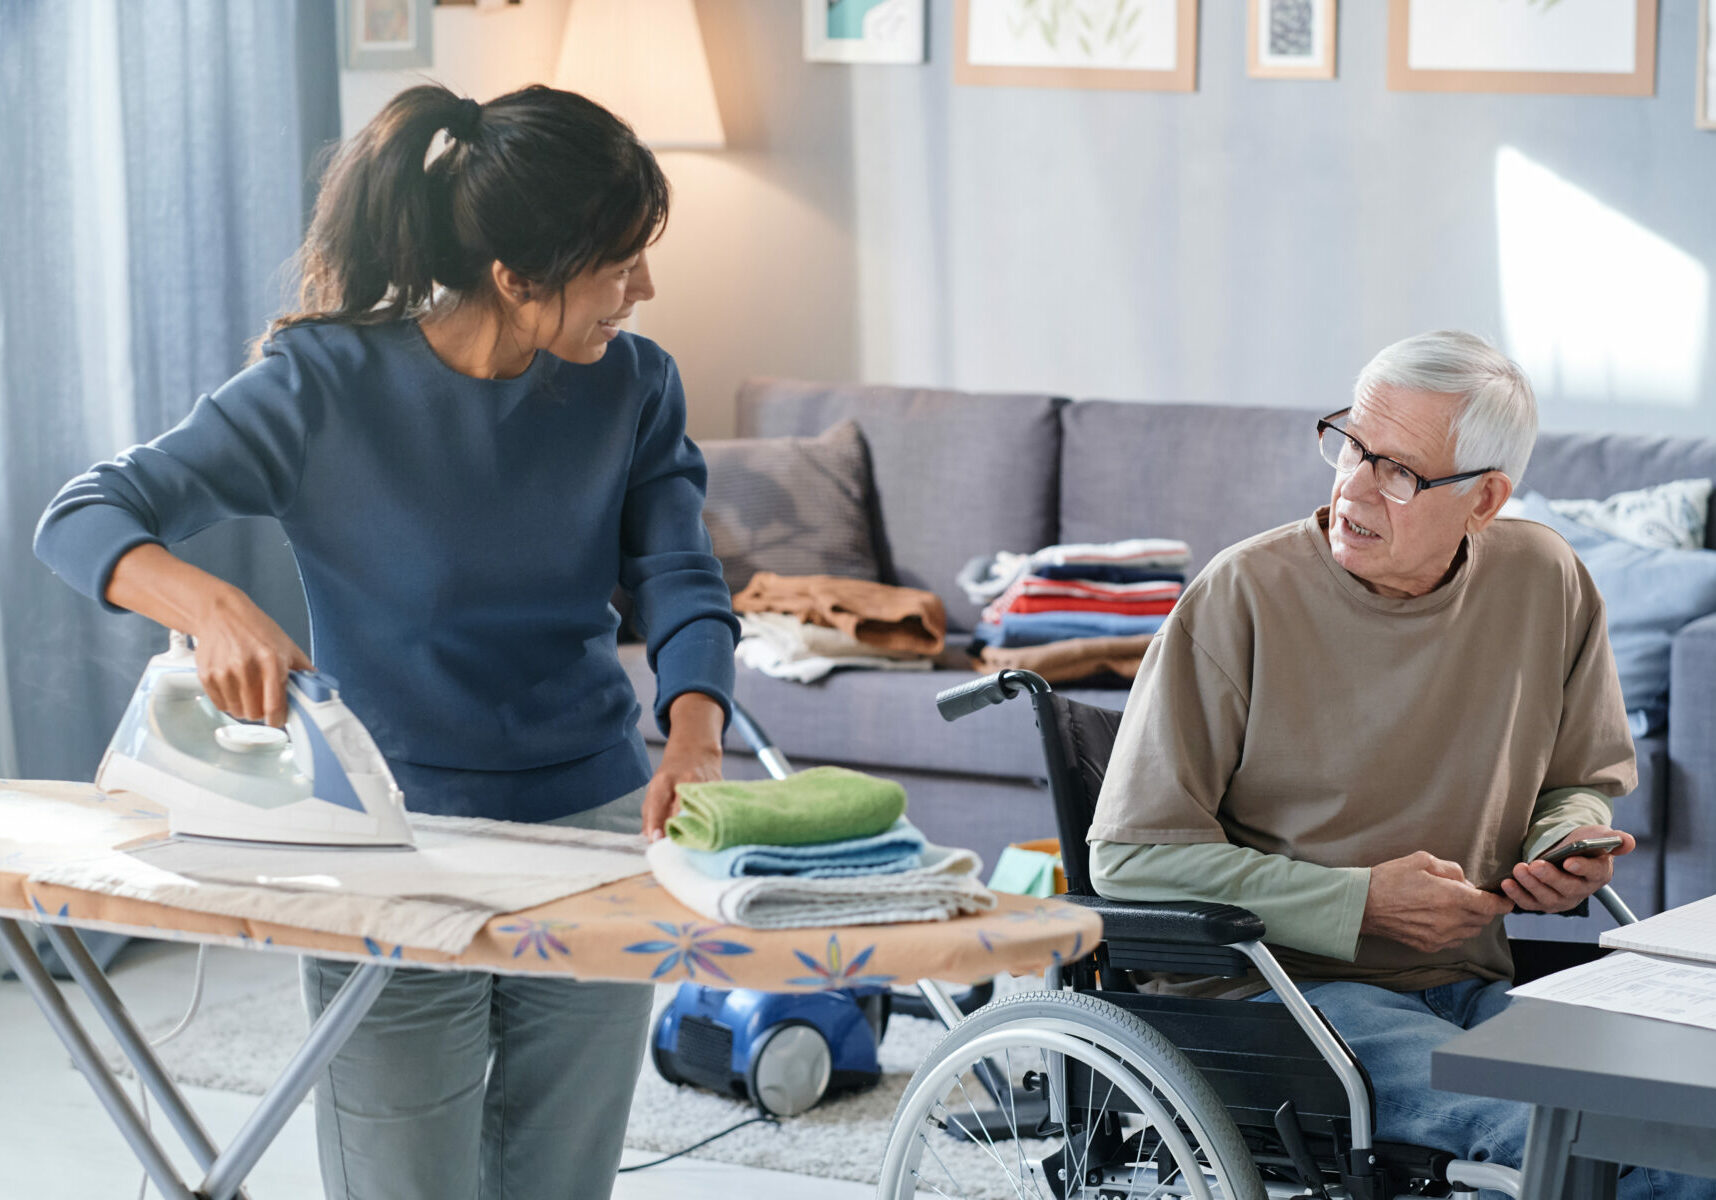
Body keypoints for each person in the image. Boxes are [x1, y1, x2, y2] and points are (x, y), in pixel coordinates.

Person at [35, 84, 740, 1200]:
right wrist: (210, 609)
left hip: (596, 839)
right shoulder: (324, 384)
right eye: (619, 260)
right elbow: (83, 515)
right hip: (391, 850)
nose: (643, 288)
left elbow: (679, 576)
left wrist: (695, 731)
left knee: (561, 1183)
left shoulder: (634, 386)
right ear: (516, 277)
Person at [1087, 330, 1712, 1197]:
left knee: (1688, 1117)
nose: (1353, 487)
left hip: (1472, 980)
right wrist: (1361, 903)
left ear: (1487, 500)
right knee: (1589, 1146)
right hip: (1283, 1001)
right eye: (1351, 446)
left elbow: (1580, 780)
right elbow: (1130, 861)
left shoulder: (1546, 580)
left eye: (1400, 472)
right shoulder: (1242, 598)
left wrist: (1564, 842)